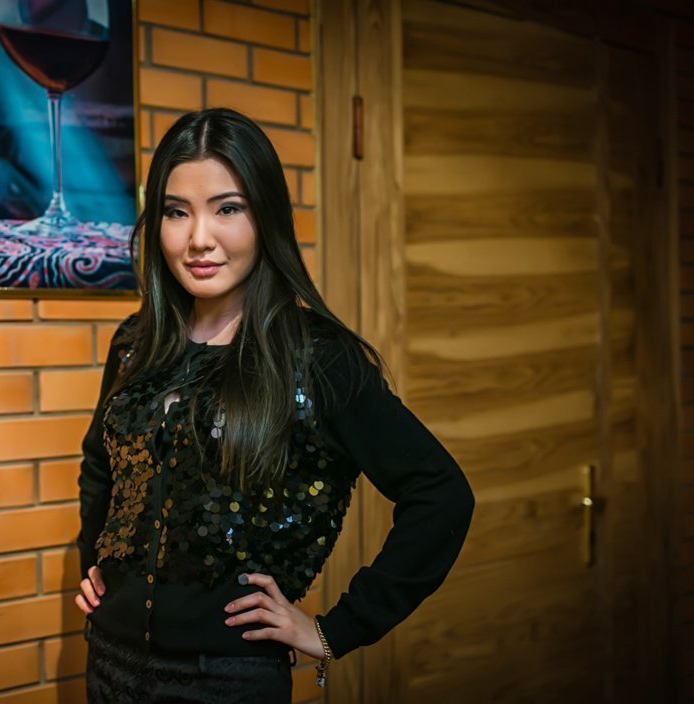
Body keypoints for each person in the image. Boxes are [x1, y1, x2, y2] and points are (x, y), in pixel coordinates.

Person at [74, 107, 475, 703]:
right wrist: (93, 563)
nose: (198, 238)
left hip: (225, 682)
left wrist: (337, 630)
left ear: (265, 217)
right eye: (176, 212)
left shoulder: (316, 358)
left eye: (227, 209)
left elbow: (440, 494)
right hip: (109, 665)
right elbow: (99, 466)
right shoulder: (137, 341)